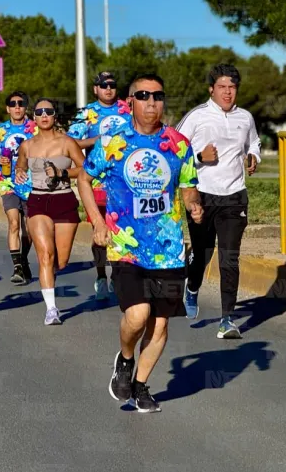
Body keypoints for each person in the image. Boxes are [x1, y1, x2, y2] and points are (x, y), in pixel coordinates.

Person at [79, 73, 202, 413]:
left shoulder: (178, 144)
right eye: (144, 95)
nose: (152, 102)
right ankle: (125, 359)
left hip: (168, 248)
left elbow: (189, 186)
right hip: (126, 245)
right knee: (137, 315)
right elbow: (84, 179)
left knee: (160, 323)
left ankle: (141, 386)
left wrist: (194, 204)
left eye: (158, 96)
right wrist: (97, 222)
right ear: (130, 102)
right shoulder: (113, 142)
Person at [175, 64, 261, 339]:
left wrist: (254, 156)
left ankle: (227, 319)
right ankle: (192, 286)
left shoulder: (245, 117)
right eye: (222, 87)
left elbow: (254, 143)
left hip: (234, 197)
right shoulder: (197, 116)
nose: (227, 92)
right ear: (211, 89)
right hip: (201, 195)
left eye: (232, 87)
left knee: (229, 258)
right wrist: (200, 158)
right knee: (202, 253)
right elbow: (173, 151)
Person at [15, 98, 85, 325]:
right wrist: (19, 172)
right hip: (38, 201)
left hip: (64, 200)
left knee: (60, 262)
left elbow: (85, 169)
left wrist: (62, 173)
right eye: (39, 112)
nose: (44, 115)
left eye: (48, 111)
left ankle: (49, 281)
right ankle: (51, 309)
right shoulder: (27, 145)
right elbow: (20, 165)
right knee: (45, 255)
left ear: (55, 115)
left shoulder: (67, 142)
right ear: (33, 117)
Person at [68, 71, 132, 300]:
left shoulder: (128, 109)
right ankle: (101, 275)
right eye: (103, 85)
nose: (108, 88)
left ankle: (118, 275)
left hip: (125, 182)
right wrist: (94, 141)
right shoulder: (86, 113)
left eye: (112, 84)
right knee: (100, 230)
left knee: (122, 230)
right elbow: (70, 142)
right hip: (96, 182)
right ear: (95, 89)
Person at [0, 91, 38, 285]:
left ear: (26, 107)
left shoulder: (35, 128)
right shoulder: (0, 130)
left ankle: (23, 259)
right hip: (7, 182)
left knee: (30, 229)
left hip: (31, 183)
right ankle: (17, 267)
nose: (17, 107)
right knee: (14, 223)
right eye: (13, 104)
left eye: (21, 103)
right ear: (8, 108)